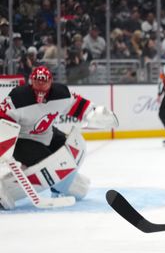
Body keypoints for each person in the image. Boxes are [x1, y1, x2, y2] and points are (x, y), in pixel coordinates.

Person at [0, 66, 118, 209]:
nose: (41, 89)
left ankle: (68, 186)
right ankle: (57, 185)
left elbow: (81, 106)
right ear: (31, 81)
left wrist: (97, 114)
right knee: (51, 162)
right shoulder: (18, 98)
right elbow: (3, 121)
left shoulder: (61, 94)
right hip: (22, 140)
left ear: (51, 82)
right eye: (37, 83)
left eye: (44, 83)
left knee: (68, 152)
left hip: (48, 134)